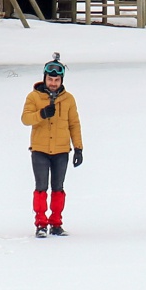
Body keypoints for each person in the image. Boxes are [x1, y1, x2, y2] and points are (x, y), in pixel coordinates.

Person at [20, 53, 83, 238]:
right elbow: (25, 119)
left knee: (58, 187)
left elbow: (74, 123)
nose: (53, 83)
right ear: (44, 78)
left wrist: (78, 147)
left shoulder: (69, 99)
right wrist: (42, 114)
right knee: (41, 187)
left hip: (61, 150)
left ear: (61, 80)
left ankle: (56, 223)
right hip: (39, 150)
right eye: (50, 79)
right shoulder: (33, 97)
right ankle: (40, 223)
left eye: (56, 80)